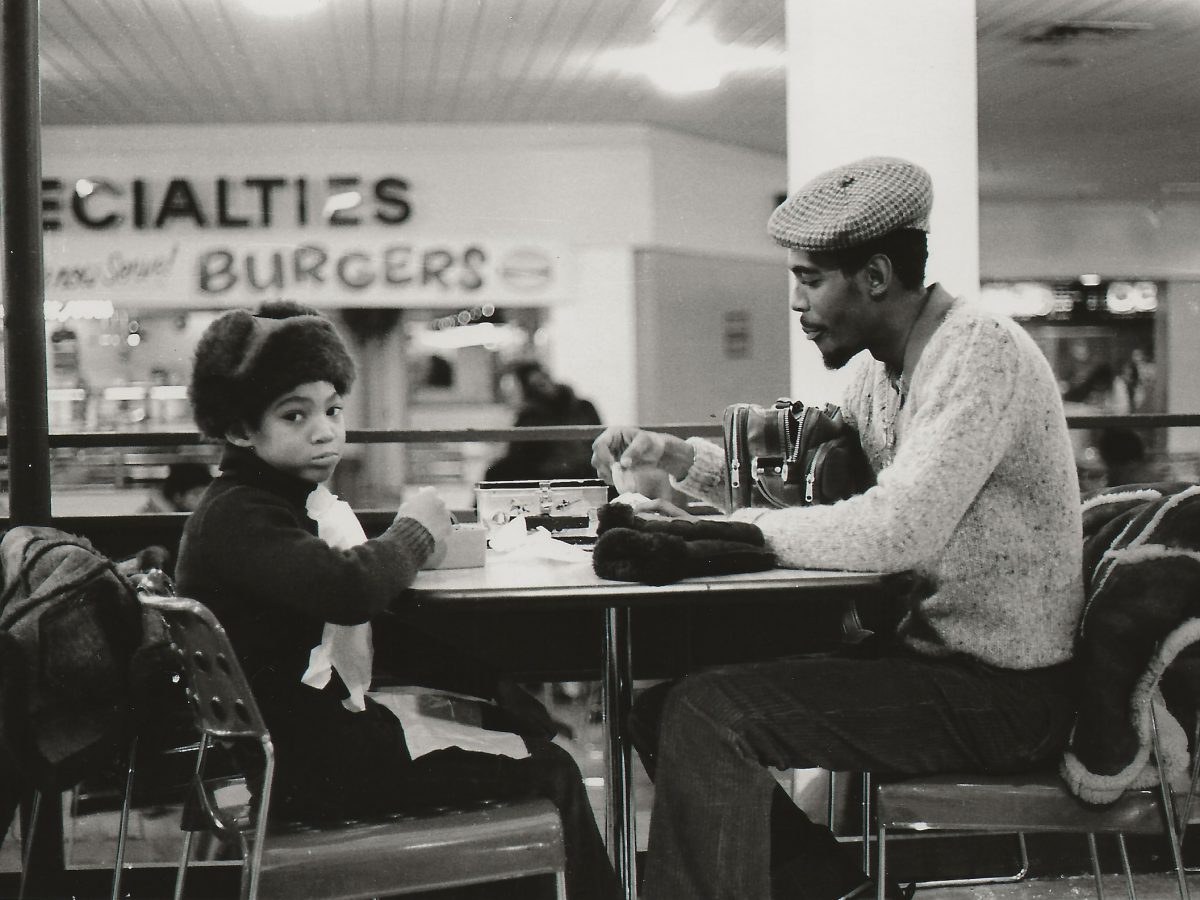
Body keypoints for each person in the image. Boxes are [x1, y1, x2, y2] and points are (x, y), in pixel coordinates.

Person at [591, 157, 1085, 900]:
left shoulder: (981, 355)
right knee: (659, 707)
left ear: (877, 275)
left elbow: (896, 529)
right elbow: (804, 486)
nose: (795, 301)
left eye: (810, 278)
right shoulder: (879, 372)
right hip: (928, 663)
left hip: (1005, 693)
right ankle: (831, 890)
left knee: (707, 713)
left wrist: (740, 536)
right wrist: (674, 457)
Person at [175, 300, 618, 900]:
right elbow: (351, 589)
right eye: (294, 415)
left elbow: (364, 612)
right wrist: (416, 531)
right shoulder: (241, 515)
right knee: (554, 772)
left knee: (514, 736)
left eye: (331, 409)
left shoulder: (261, 506)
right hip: (312, 770)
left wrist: (491, 687)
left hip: (302, 755)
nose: (325, 429)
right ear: (237, 428)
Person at [485, 360, 602, 481]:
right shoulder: (585, 406)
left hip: (552, 477)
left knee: (494, 472)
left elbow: (516, 457)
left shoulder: (530, 416)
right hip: (586, 472)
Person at [139, 461, 213, 514]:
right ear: (177, 497)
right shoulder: (156, 514)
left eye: (206, 493)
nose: (202, 499)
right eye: (196, 494)